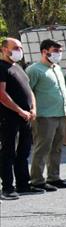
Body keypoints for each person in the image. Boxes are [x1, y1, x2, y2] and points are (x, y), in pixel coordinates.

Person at [28, 39, 66, 190]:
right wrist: (32, 111)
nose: (58, 54)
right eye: (55, 51)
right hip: (44, 116)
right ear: (44, 52)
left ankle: (54, 177)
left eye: (60, 51)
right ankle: (37, 180)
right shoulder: (35, 70)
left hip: (60, 114)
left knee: (57, 148)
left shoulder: (57, 68)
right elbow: (28, 93)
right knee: (42, 148)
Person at [0, 38, 38, 199]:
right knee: (8, 152)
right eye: (15, 48)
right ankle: (7, 188)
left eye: (20, 47)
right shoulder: (1, 67)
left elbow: (29, 90)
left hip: (26, 117)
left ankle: (23, 184)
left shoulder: (18, 67)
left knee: (23, 151)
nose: (19, 50)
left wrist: (33, 108)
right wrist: (19, 110)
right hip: (9, 117)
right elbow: (2, 94)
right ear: (3, 49)